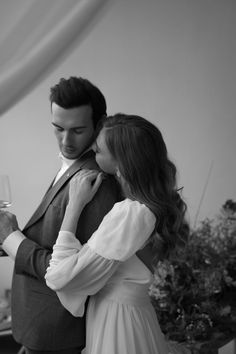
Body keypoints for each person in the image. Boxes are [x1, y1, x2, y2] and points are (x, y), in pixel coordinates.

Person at [44, 113, 190, 354]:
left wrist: (74, 205)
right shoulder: (144, 207)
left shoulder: (130, 214)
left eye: (98, 149)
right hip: (132, 315)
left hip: (119, 325)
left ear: (122, 162)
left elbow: (59, 277)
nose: (91, 149)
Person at [0, 77, 122, 354]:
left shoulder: (96, 181)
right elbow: (52, 237)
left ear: (100, 124)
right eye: (58, 128)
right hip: (39, 325)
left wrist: (11, 238)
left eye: (77, 130)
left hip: (57, 331)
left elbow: (73, 272)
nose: (65, 141)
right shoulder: (75, 164)